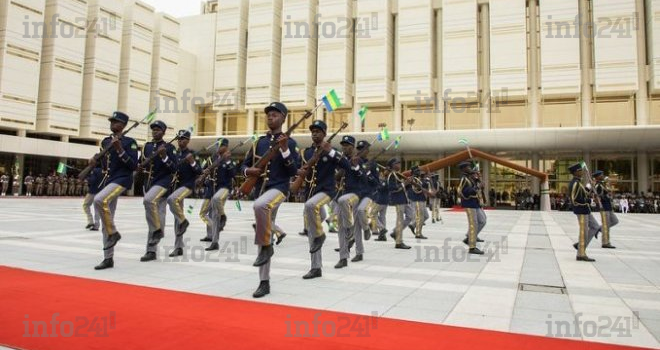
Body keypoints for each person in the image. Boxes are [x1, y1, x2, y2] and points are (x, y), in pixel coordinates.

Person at [241, 102, 300, 298]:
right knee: (263, 228)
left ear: (284, 119)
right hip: (261, 189)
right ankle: (264, 282)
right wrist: (248, 171)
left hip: (279, 189)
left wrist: (284, 149)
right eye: (268, 115)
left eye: (275, 114)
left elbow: (294, 171)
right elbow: (244, 165)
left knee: (260, 206)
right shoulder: (259, 142)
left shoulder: (290, 143)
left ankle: (267, 246)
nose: (270, 117)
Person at [92, 111, 139, 270]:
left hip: (122, 180)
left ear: (124, 125)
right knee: (106, 220)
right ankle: (108, 258)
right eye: (112, 121)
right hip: (109, 180)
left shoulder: (129, 142)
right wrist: (94, 162)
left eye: (116, 122)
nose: (113, 124)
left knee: (99, 200)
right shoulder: (106, 142)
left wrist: (120, 149)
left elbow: (133, 166)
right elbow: (105, 164)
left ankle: (114, 233)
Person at [299, 120, 344, 279]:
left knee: (313, 213)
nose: (315, 134)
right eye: (313, 131)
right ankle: (316, 267)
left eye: (318, 131)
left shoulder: (331, 150)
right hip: (311, 193)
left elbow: (345, 165)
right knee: (312, 228)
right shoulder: (306, 153)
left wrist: (330, 151)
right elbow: (298, 168)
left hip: (326, 192)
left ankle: (321, 234)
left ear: (325, 134)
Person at [138, 120, 177, 262]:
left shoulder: (170, 147)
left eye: (158, 130)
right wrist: (139, 167)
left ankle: (153, 242)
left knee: (158, 213)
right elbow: (140, 163)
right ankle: (151, 250)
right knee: (153, 218)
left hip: (163, 184)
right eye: (153, 129)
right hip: (149, 185)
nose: (155, 132)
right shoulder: (146, 147)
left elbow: (174, 168)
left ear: (164, 132)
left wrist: (164, 156)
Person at [166, 129, 202, 257]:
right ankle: (178, 246)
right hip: (175, 186)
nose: (180, 141)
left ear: (188, 140)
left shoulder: (192, 154)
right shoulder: (174, 154)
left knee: (171, 200)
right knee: (177, 218)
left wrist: (192, 161)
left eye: (183, 139)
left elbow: (199, 171)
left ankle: (184, 221)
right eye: (179, 139)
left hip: (187, 186)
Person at [335, 136, 365, 268]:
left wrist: (355, 167)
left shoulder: (360, 160)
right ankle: (343, 257)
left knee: (357, 226)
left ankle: (359, 252)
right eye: (343, 145)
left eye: (347, 145)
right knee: (341, 228)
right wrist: (342, 168)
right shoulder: (342, 160)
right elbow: (337, 177)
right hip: (343, 196)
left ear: (353, 147)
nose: (344, 147)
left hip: (356, 195)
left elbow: (364, 179)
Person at [207, 139, 237, 251]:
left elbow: (234, 174)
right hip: (215, 188)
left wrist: (228, 161)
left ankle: (223, 216)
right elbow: (208, 170)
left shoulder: (229, 159)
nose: (218, 148)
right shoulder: (215, 158)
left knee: (216, 199)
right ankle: (215, 242)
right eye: (217, 146)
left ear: (226, 146)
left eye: (220, 146)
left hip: (225, 188)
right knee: (214, 216)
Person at [568, 163, 601, 262]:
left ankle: (580, 245)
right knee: (583, 233)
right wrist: (589, 201)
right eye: (580, 170)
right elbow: (575, 199)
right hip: (581, 210)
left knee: (595, 227)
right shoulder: (575, 183)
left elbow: (584, 194)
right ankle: (581, 254)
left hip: (586, 210)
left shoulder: (578, 182)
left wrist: (591, 188)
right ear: (576, 172)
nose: (582, 172)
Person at [458, 161, 486, 255]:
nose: (470, 168)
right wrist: (477, 187)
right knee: (473, 224)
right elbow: (462, 191)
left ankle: (469, 237)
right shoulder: (464, 179)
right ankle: (472, 247)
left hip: (476, 203)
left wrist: (479, 179)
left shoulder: (471, 177)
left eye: (470, 167)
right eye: (468, 167)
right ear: (463, 169)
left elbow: (480, 187)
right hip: (469, 203)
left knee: (482, 221)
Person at [386, 158, 412, 250]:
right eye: (397, 163)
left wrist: (408, 183)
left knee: (411, 216)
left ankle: (396, 232)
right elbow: (392, 188)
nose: (399, 165)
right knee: (400, 220)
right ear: (392, 165)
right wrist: (404, 183)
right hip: (398, 200)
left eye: (399, 163)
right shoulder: (391, 175)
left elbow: (404, 187)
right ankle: (399, 242)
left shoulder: (398, 175)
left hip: (404, 199)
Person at [593, 171, 617, 249]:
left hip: (608, 206)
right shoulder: (598, 186)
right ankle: (605, 242)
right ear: (597, 177)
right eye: (601, 175)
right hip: (604, 207)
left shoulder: (603, 184)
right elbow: (596, 197)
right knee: (606, 225)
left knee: (615, 221)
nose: (603, 176)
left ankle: (599, 229)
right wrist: (600, 200)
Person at [82, 164, 103, 231]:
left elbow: (92, 180)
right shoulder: (103, 170)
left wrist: (87, 177)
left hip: (93, 191)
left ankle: (90, 221)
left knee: (86, 205)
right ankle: (96, 225)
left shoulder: (94, 170)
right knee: (97, 208)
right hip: (101, 191)